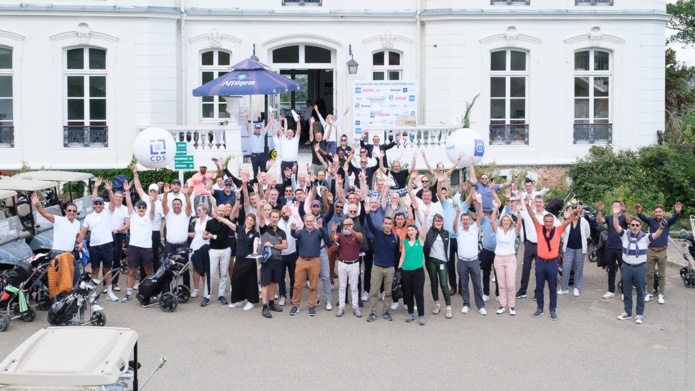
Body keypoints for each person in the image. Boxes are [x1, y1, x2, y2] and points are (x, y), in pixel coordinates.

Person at [613, 204, 665, 324]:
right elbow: (616, 226)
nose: (635, 227)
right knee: (626, 290)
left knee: (641, 291)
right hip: (626, 267)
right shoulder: (625, 235)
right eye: (633, 225)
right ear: (630, 226)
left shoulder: (645, 237)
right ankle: (628, 312)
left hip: (640, 268)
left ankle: (639, 314)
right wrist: (616, 215)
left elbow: (656, 235)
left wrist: (661, 228)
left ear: (640, 226)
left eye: (637, 225)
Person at [525, 199, 575, 321]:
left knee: (552, 287)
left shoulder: (557, 230)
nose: (548, 223)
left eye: (550, 222)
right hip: (540, 262)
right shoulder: (539, 228)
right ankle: (540, 308)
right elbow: (532, 216)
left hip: (552, 263)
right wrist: (527, 205)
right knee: (539, 287)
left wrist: (572, 214)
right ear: (543, 222)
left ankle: (552, 309)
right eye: (546, 221)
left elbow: (569, 221)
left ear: (553, 222)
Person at [76, 180, 118, 302]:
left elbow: (113, 202)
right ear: (94, 205)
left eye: (100, 203)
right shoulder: (89, 217)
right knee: (95, 270)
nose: (98, 205)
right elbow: (83, 232)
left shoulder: (108, 212)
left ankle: (109, 292)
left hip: (107, 246)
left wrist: (110, 190)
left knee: (107, 269)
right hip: (94, 247)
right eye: (97, 204)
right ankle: (93, 294)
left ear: (103, 205)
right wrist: (79, 241)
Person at [31, 193, 82, 286]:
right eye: (69, 210)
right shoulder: (59, 220)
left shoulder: (77, 223)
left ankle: (74, 298)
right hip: (58, 254)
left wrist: (81, 243)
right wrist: (37, 204)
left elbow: (77, 236)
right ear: (65, 212)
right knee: (60, 281)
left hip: (70, 254)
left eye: (74, 211)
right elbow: (45, 214)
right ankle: (60, 300)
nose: (71, 212)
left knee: (77, 277)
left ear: (76, 212)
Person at [635, 201, 682, 304]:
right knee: (649, 274)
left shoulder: (667, 222)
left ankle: (661, 294)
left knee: (662, 275)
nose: (658, 213)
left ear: (663, 212)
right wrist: (638, 211)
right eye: (656, 212)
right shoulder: (651, 221)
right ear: (654, 213)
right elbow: (642, 216)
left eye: (660, 211)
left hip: (662, 251)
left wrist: (677, 212)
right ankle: (650, 293)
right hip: (651, 251)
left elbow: (674, 217)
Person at [516, 194, 558, 299]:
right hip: (529, 244)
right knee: (526, 267)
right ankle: (522, 290)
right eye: (537, 202)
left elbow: (559, 227)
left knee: (539, 270)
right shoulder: (527, 213)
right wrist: (515, 201)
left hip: (542, 245)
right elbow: (514, 211)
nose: (538, 204)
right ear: (534, 202)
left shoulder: (548, 216)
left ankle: (537, 291)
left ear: (544, 203)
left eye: (540, 202)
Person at [290, 214, 332, 316]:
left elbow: (327, 239)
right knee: (297, 285)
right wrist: (292, 230)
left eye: (311, 221)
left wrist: (321, 227)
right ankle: (296, 305)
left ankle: (311, 306)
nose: (309, 223)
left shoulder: (318, 232)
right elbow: (294, 235)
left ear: (314, 221)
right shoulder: (301, 232)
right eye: (307, 221)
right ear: (304, 222)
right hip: (301, 260)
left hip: (314, 261)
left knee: (313, 285)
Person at [120, 181, 155, 303]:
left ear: (146, 208)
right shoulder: (133, 215)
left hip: (146, 247)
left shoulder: (149, 216)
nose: (141, 209)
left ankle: (152, 293)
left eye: (143, 207)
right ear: (136, 209)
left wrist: (152, 201)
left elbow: (152, 210)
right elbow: (129, 203)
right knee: (132, 270)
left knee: (149, 271)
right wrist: (127, 191)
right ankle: (129, 293)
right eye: (139, 207)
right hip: (134, 247)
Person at [92, 177, 129, 293]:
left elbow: (128, 224)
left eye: (120, 197)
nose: (118, 199)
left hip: (117, 235)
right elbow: (94, 199)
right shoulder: (107, 205)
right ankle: (105, 284)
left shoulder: (125, 209)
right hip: (106, 236)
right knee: (107, 260)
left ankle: (114, 283)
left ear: (123, 198)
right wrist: (96, 187)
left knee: (117, 260)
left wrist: (119, 229)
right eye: (116, 197)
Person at [363, 216, 400, 323]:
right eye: (386, 223)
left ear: (392, 225)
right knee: (374, 292)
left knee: (388, 292)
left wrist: (395, 268)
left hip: (390, 269)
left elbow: (396, 254)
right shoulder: (378, 233)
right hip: (377, 267)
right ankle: (373, 312)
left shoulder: (396, 237)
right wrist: (368, 212)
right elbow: (370, 224)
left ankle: (385, 311)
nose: (388, 225)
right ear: (382, 224)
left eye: (390, 223)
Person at [454, 199, 487, 316]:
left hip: (474, 261)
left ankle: (480, 305)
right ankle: (466, 304)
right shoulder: (459, 230)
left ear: (469, 220)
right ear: (461, 221)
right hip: (462, 261)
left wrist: (481, 204)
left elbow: (479, 216)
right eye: (463, 220)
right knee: (464, 284)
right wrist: (457, 215)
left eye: (467, 219)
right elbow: (454, 226)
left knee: (477, 284)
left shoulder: (474, 228)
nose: (465, 221)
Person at [491, 199, 522, 316]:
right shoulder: (498, 231)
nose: (505, 222)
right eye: (504, 220)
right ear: (502, 221)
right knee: (501, 284)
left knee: (510, 284)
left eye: (507, 220)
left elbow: (519, 224)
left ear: (510, 222)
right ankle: (502, 305)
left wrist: (518, 212)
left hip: (510, 259)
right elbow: (492, 220)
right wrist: (495, 209)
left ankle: (512, 306)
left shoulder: (514, 232)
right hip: (498, 258)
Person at [132, 165, 165, 273]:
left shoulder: (160, 204)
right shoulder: (145, 198)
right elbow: (138, 187)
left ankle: (154, 279)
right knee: (143, 256)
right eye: (151, 191)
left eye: (154, 191)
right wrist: (135, 173)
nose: (152, 193)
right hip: (144, 231)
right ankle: (143, 279)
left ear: (157, 192)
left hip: (154, 232)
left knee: (154, 256)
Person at [330, 218, 363, 318]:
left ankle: (355, 306)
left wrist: (352, 231)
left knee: (354, 287)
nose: (346, 226)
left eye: (348, 224)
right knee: (342, 287)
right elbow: (333, 238)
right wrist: (333, 230)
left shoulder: (356, 234)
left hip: (354, 264)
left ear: (352, 225)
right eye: (344, 224)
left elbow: (360, 237)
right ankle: (341, 307)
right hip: (342, 264)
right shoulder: (340, 235)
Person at [201, 204, 234, 307]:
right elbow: (203, 236)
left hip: (226, 250)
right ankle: (207, 296)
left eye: (223, 211)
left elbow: (235, 210)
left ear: (225, 212)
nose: (221, 212)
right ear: (216, 210)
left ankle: (221, 295)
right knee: (210, 274)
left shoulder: (228, 221)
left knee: (224, 273)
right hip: (214, 251)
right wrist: (208, 236)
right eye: (219, 210)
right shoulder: (210, 222)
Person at [227, 213, 261, 310]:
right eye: (248, 219)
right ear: (245, 220)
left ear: (254, 223)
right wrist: (218, 217)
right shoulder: (240, 229)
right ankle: (236, 300)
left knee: (250, 280)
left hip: (249, 259)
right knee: (236, 279)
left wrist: (255, 251)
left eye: (251, 220)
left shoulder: (255, 233)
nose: (249, 221)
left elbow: (256, 242)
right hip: (239, 258)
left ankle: (251, 301)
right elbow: (228, 222)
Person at [595, 201, 628, 299]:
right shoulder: (609, 217)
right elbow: (599, 220)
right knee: (611, 269)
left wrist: (625, 210)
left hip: (621, 247)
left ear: (621, 207)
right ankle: (610, 290)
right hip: (610, 247)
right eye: (614, 205)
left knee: (624, 270)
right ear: (612, 207)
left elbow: (629, 221)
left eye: (618, 206)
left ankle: (624, 291)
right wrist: (600, 210)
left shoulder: (623, 217)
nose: (616, 207)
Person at [259, 210, 288, 318]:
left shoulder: (281, 232)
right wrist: (260, 204)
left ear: (279, 218)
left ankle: (271, 303)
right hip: (267, 261)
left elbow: (285, 246)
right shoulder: (264, 228)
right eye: (273, 217)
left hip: (278, 260)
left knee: (273, 283)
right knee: (265, 284)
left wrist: (272, 245)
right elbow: (260, 216)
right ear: (269, 217)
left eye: (276, 217)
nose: (274, 219)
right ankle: (264, 307)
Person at [559, 201, 591, 296]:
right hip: (568, 247)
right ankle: (564, 288)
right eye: (575, 209)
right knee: (566, 267)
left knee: (578, 268)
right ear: (572, 211)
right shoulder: (567, 220)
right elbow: (561, 231)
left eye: (579, 210)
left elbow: (587, 234)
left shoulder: (584, 222)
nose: (577, 211)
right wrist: (565, 218)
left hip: (580, 248)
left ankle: (577, 287)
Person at [398, 224, 427, 325]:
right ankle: (410, 313)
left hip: (418, 271)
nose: (410, 232)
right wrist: (399, 269)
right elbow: (402, 257)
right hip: (406, 271)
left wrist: (425, 217)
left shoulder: (420, 241)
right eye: (409, 230)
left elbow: (423, 229)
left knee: (419, 294)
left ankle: (421, 315)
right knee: (408, 294)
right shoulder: (405, 242)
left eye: (412, 230)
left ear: (416, 231)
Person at [278, 205, 301, 306]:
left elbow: (297, 224)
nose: (286, 213)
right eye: (284, 212)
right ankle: (282, 296)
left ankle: (292, 296)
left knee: (293, 277)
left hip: (292, 254)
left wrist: (290, 215)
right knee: (281, 277)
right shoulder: (278, 224)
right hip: (281, 254)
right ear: (281, 213)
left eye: (287, 211)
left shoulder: (293, 221)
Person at [188, 203, 210, 299]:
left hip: (204, 246)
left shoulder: (210, 221)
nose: (198, 212)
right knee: (195, 268)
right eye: (197, 210)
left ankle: (206, 289)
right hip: (195, 245)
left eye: (199, 210)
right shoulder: (196, 221)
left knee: (205, 269)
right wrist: (184, 233)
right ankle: (196, 289)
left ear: (205, 210)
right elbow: (196, 234)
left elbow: (209, 234)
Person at [243, 110, 268, 177]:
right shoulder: (251, 135)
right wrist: (245, 117)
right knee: (255, 173)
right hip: (254, 156)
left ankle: (263, 186)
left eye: (259, 128)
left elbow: (268, 126)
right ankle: (256, 186)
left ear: (260, 129)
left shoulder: (262, 134)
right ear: (254, 129)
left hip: (262, 155)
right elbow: (247, 126)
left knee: (263, 173)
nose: (257, 129)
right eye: (256, 128)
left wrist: (271, 117)